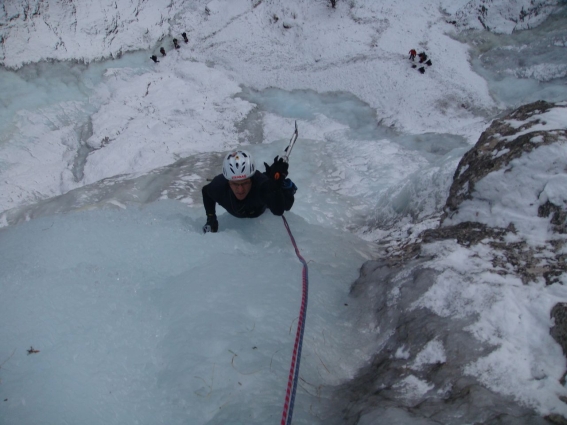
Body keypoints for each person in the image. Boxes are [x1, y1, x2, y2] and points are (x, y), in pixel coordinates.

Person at [201, 150, 297, 233]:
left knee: (284, 198)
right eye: (235, 184)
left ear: (252, 179)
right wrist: (211, 217)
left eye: (245, 183)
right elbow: (206, 192)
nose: (240, 190)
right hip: (249, 208)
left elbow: (279, 210)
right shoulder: (219, 186)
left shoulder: (260, 185)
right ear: (228, 182)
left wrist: (276, 184)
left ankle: (276, 180)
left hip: (262, 196)